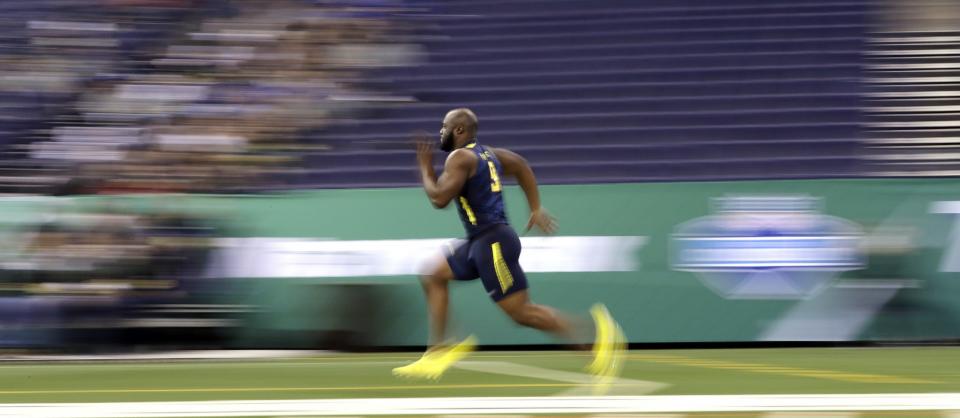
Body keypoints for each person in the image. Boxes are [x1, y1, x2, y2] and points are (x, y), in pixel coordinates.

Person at [393, 108, 624, 382]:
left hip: (492, 244)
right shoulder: (489, 154)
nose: (440, 132)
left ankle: (596, 338)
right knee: (432, 274)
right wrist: (535, 208)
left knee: (522, 313)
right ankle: (437, 352)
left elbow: (439, 199)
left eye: (444, 126)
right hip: (482, 240)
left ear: (459, 131)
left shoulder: (460, 157)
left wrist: (424, 165)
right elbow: (522, 165)